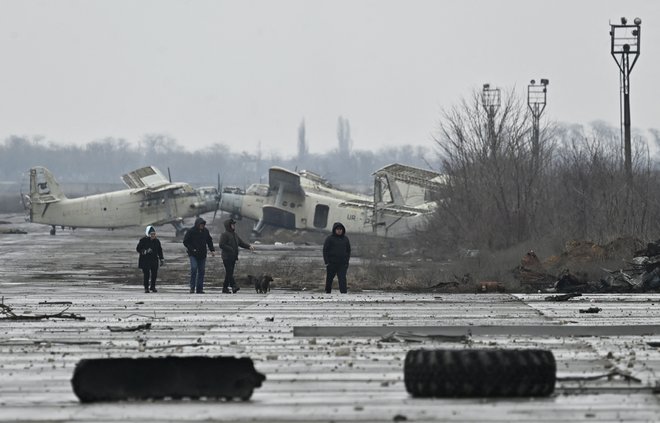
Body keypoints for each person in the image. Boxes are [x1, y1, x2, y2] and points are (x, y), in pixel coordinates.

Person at [219, 218, 254, 294]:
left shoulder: (235, 235)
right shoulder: (224, 235)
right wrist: (230, 249)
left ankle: (225, 288)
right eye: (232, 224)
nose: (234, 226)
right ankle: (234, 286)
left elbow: (241, 243)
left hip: (233, 257)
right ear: (228, 226)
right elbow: (221, 245)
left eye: (234, 224)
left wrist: (248, 246)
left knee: (229, 273)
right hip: (226, 257)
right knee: (229, 272)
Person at [183, 217, 215, 294]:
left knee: (202, 271)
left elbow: (209, 240)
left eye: (203, 224)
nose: (202, 226)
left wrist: (212, 250)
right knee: (194, 268)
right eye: (200, 224)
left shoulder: (205, 231)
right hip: (193, 254)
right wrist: (192, 249)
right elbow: (185, 242)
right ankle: (192, 287)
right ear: (197, 224)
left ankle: (199, 289)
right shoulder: (191, 231)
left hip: (202, 254)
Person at [323, 222, 351, 294]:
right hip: (331, 263)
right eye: (338, 229)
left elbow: (348, 250)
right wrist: (326, 262)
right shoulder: (330, 239)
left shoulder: (345, 239)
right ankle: (327, 293)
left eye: (340, 229)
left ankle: (344, 293)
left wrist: (346, 262)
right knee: (329, 279)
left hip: (342, 264)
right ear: (334, 230)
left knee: (342, 279)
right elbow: (325, 250)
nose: (339, 230)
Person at [136, 225, 164, 293]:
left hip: (154, 260)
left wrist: (161, 259)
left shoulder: (157, 241)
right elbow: (138, 248)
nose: (153, 235)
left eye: (154, 234)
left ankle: (153, 286)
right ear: (148, 234)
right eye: (151, 234)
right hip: (145, 260)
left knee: (154, 274)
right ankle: (146, 287)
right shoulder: (143, 240)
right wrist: (145, 251)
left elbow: (159, 250)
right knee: (147, 274)